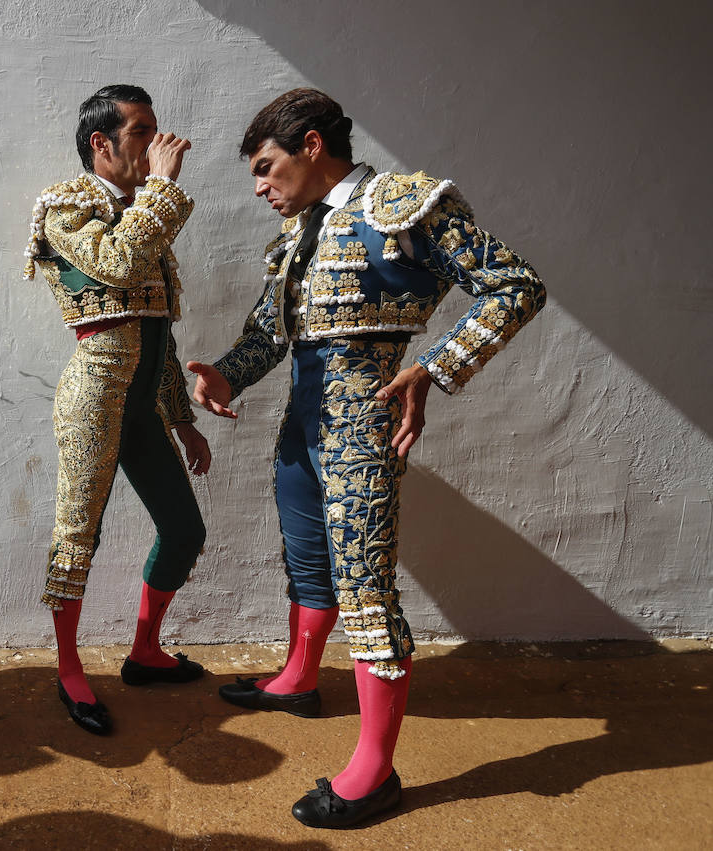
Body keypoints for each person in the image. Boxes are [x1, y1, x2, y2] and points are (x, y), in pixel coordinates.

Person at [187, 89, 545, 827]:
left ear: (311, 146)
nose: (260, 186)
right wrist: (225, 373)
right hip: (301, 424)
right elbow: (269, 330)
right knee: (309, 554)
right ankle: (296, 677)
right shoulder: (296, 234)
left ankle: (375, 770)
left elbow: (515, 285)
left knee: (366, 584)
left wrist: (437, 366)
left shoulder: (405, 203)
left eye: (265, 166)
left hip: (359, 422)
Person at [22, 84, 211, 735]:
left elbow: (161, 329)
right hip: (93, 402)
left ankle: (145, 650)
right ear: (101, 143)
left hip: (143, 410)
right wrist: (160, 188)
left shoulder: (140, 212)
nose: (157, 144)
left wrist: (181, 417)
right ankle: (70, 669)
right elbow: (120, 264)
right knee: (78, 538)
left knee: (185, 530)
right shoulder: (66, 207)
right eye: (142, 131)